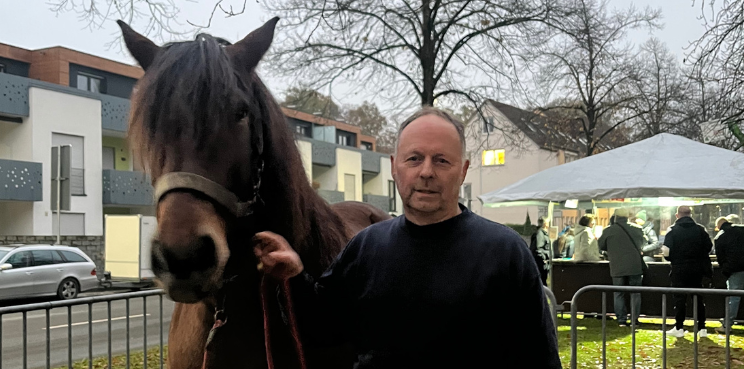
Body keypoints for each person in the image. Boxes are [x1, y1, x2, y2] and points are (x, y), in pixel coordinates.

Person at [253, 106, 562, 368]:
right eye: (414, 158)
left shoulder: (505, 253)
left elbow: (540, 358)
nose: (426, 171)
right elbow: (324, 329)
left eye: (442, 160)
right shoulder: (366, 247)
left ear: (463, 171)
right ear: (394, 167)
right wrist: (293, 274)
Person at [663, 206, 713, 338]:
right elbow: (709, 247)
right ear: (691, 214)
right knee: (698, 298)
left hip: (679, 269)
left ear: (677, 215)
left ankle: (679, 327)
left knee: (679, 299)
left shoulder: (672, 230)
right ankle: (702, 328)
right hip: (698, 269)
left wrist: (673, 258)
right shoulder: (700, 229)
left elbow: (666, 251)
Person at [598, 208, 646, 327]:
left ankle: (621, 320)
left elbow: (601, 245)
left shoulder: (608, 230)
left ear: (615, 217)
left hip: (617, 265)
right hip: (634, 265)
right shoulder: (637, 228)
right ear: (628, 216)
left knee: (618, 293)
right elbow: (643, 243)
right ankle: (634, 320)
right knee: (635, 293)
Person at [714, 216, 744, 332]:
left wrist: (726, 270)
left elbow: (721, 258)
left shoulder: (720, 237)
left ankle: (727, 325)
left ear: (718, 226)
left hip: (735, 269)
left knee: (733, 297)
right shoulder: (741, 229)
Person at [531, 216, 553, 285]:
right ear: (545, 223)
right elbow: (539, 249)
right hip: (542, 262)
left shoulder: (541, 233)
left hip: (542, 261)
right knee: (543, 281)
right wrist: (544, 258)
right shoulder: (540, 234)